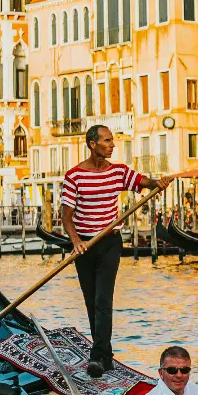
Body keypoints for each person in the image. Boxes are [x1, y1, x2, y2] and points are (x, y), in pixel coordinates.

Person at [60, 124, 164, 369]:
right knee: (91, 301)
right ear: (92, 144)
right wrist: (76, 242)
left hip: (109, 242)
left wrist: (158, 183)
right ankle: (105, 354)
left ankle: (96, 357)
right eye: (107, 141)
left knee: (103, 299)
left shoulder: (118, 172)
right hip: (84, 244)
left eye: (112, 141)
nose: (112, 145)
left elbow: (143, 181)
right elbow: (66, 216)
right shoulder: (74, 175)